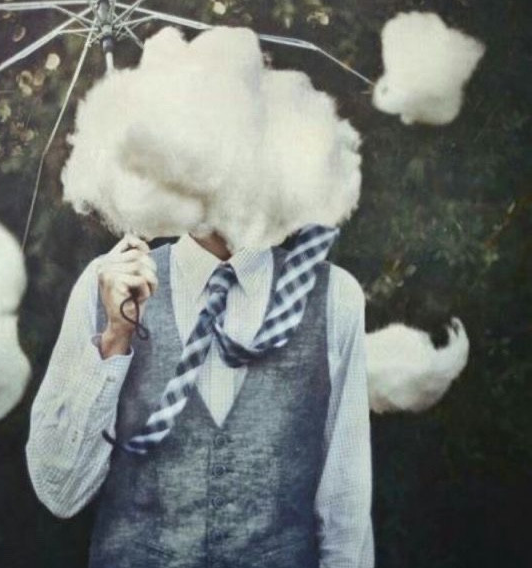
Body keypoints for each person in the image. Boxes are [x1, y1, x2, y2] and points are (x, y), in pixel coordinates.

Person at [26, 228, 374, 568]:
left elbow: (346, 513)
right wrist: (115, 336)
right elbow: (61, 493)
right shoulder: (105, 282)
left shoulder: (334, 295)